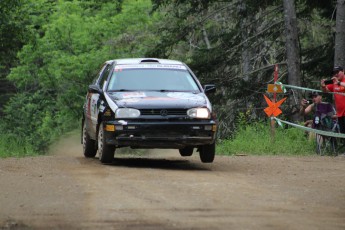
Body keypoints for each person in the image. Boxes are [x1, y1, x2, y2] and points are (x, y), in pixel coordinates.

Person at [321, 66, 345, 133]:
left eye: (337, 72)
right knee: (343, 135)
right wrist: (323, 86)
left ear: (343, 71)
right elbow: (325, 91)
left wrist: (339, 83)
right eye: (334, 73)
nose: (336, 74)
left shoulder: (339, 82)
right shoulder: (334, 83)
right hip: (340, 114)